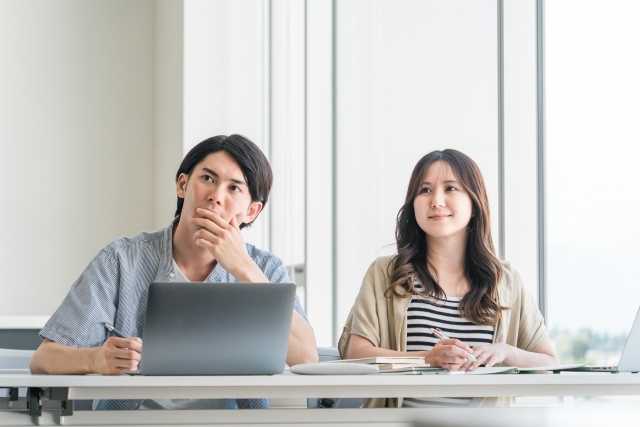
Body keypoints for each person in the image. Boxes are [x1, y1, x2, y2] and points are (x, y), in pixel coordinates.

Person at [30, 134, 318, 409]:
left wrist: (243, 269)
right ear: (183, 185)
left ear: (251, 211)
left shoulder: (265, 269)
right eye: (207, 179)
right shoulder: (121, 260)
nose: (216, 197)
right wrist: (96, 360)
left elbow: (306, 358)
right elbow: (44, 360)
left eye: (234, 188)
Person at [338, 149, 557, 408]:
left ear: (475, 203)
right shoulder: (385, 273)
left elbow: (549, 363)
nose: (436, 200)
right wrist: (426, 358)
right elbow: (356, 354)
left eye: (451, 188)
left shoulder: (506, 280)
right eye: (425, 190)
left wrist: (506, 352)